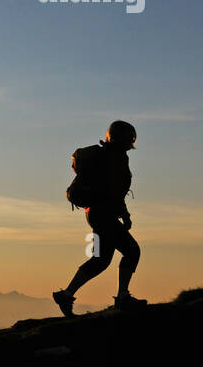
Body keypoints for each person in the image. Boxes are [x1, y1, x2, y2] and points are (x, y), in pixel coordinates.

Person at [53, 120, 147, 314]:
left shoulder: (104, 155)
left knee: (101, 260)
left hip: (94, 214)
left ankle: (66, 295)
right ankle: (122, 298)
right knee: (131, 251)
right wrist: (125, 215)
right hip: (104, 214)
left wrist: (122, 213)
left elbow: (112, 191)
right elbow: (115, 191)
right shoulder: (116, 158)